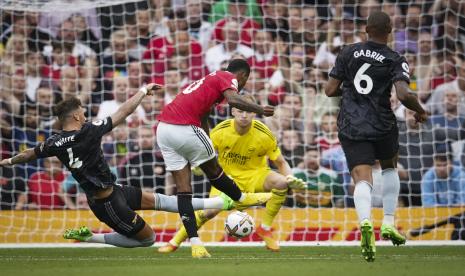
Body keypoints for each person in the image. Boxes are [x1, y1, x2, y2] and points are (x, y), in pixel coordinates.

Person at [0, 84, 237, 249]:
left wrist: (10, 160)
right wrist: (143, 91)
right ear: (75, 117)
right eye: (82, 111)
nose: (85, 114)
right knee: (148, 239)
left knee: (162, 201)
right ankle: (91, 238)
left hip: (114, 190)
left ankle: (222, 202)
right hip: (106, 203)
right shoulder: (89, 132)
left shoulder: (53, 142)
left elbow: (31, 153)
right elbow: (123, 111)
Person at [325, 11, 428, 262]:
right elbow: (403, 95)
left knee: (362, 177)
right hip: (382, 124)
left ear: (366, 28)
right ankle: (389, 222)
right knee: (390, 167)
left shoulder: (348, 52)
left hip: (352, 123)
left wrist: (348, 83)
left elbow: (329, 90)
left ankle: (365, 222)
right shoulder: (395, 58)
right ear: (390, 30)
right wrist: (420, 110)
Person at [156, 59, 275, 258]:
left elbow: (204, 116)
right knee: (215, 172)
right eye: (244, 81)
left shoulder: (209, 81)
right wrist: (260, 110)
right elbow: (235, 100)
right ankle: (241, 198)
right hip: (184, 127)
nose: (241, 86)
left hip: (163, 129)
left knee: (184, 191)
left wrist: (206, 144)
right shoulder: (228, 78)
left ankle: (195, 244)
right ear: (243, 75)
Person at [158, 94, 304, 253]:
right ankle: (175, 241)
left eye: (248, 111)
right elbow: (205, 153)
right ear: (233, 111)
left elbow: (281, 162)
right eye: (240, 110)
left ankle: (265, 228)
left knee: (281, 182)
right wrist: (198, 165)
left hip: (255, 176)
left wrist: (290, 178)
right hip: (226, 180)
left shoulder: (264, 134)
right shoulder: (221, 131)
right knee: (208, 212)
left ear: (254, 113)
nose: (244, 115)